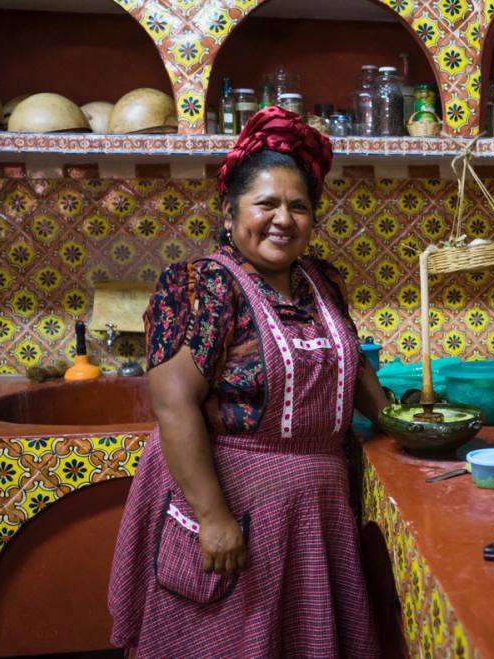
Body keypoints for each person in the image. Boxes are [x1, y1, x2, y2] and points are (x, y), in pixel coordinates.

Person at [108, 106, 387, 657]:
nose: (283, 219)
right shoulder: (203, 285)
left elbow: (355, 371)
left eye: (299, 206)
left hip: (314, 514)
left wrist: (409, 423)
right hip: (231, 504)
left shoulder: (322, 281)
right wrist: (213, 518)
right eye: (266, 204)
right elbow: (173, 403)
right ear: (231, 211)